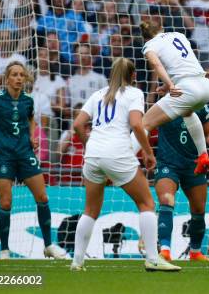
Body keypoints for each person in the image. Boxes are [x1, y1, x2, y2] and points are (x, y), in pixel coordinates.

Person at [70, 57, 179, 272]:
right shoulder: (134, 93)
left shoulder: (97, 94)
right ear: (133, 76)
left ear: (111, 75)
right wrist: (148, 153)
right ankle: (152, 258)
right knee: (147, 203)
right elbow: (137, 124)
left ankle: (77, 261)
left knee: (90, 210)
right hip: (118, 153)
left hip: (93, 155)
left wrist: (89, 145)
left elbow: (77, 125)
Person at [0, 61, 67, 259]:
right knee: (6, 203)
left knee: (43, 198)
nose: (18, 78)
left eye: (21, 75)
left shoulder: (28, 100)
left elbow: (31, 119)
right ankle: (4, 250)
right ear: (7, 78)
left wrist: (32, 137)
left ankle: (48, 246)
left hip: (25, 154)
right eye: (15, 75)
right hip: (5, 156)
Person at [131, 22, 209, 175]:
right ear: (161, 29)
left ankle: (122, 163)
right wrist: (170, 84)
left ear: (145, 38)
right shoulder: (179, 35)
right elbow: (182, 63)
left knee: (144, 124)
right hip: (206, 86)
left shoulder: (149, 45)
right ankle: (203, 155)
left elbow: (156, 64)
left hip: (187, 88)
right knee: (187, 112)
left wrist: (169, 84)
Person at [155, 103, 209, 262]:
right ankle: (165, 250)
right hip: (168, 163)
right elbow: (147, 123)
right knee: (166, 200)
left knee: (198, 208)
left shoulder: (200, 105)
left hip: (193, 164)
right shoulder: (164, 104)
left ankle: (195, 252)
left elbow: (208, 132)